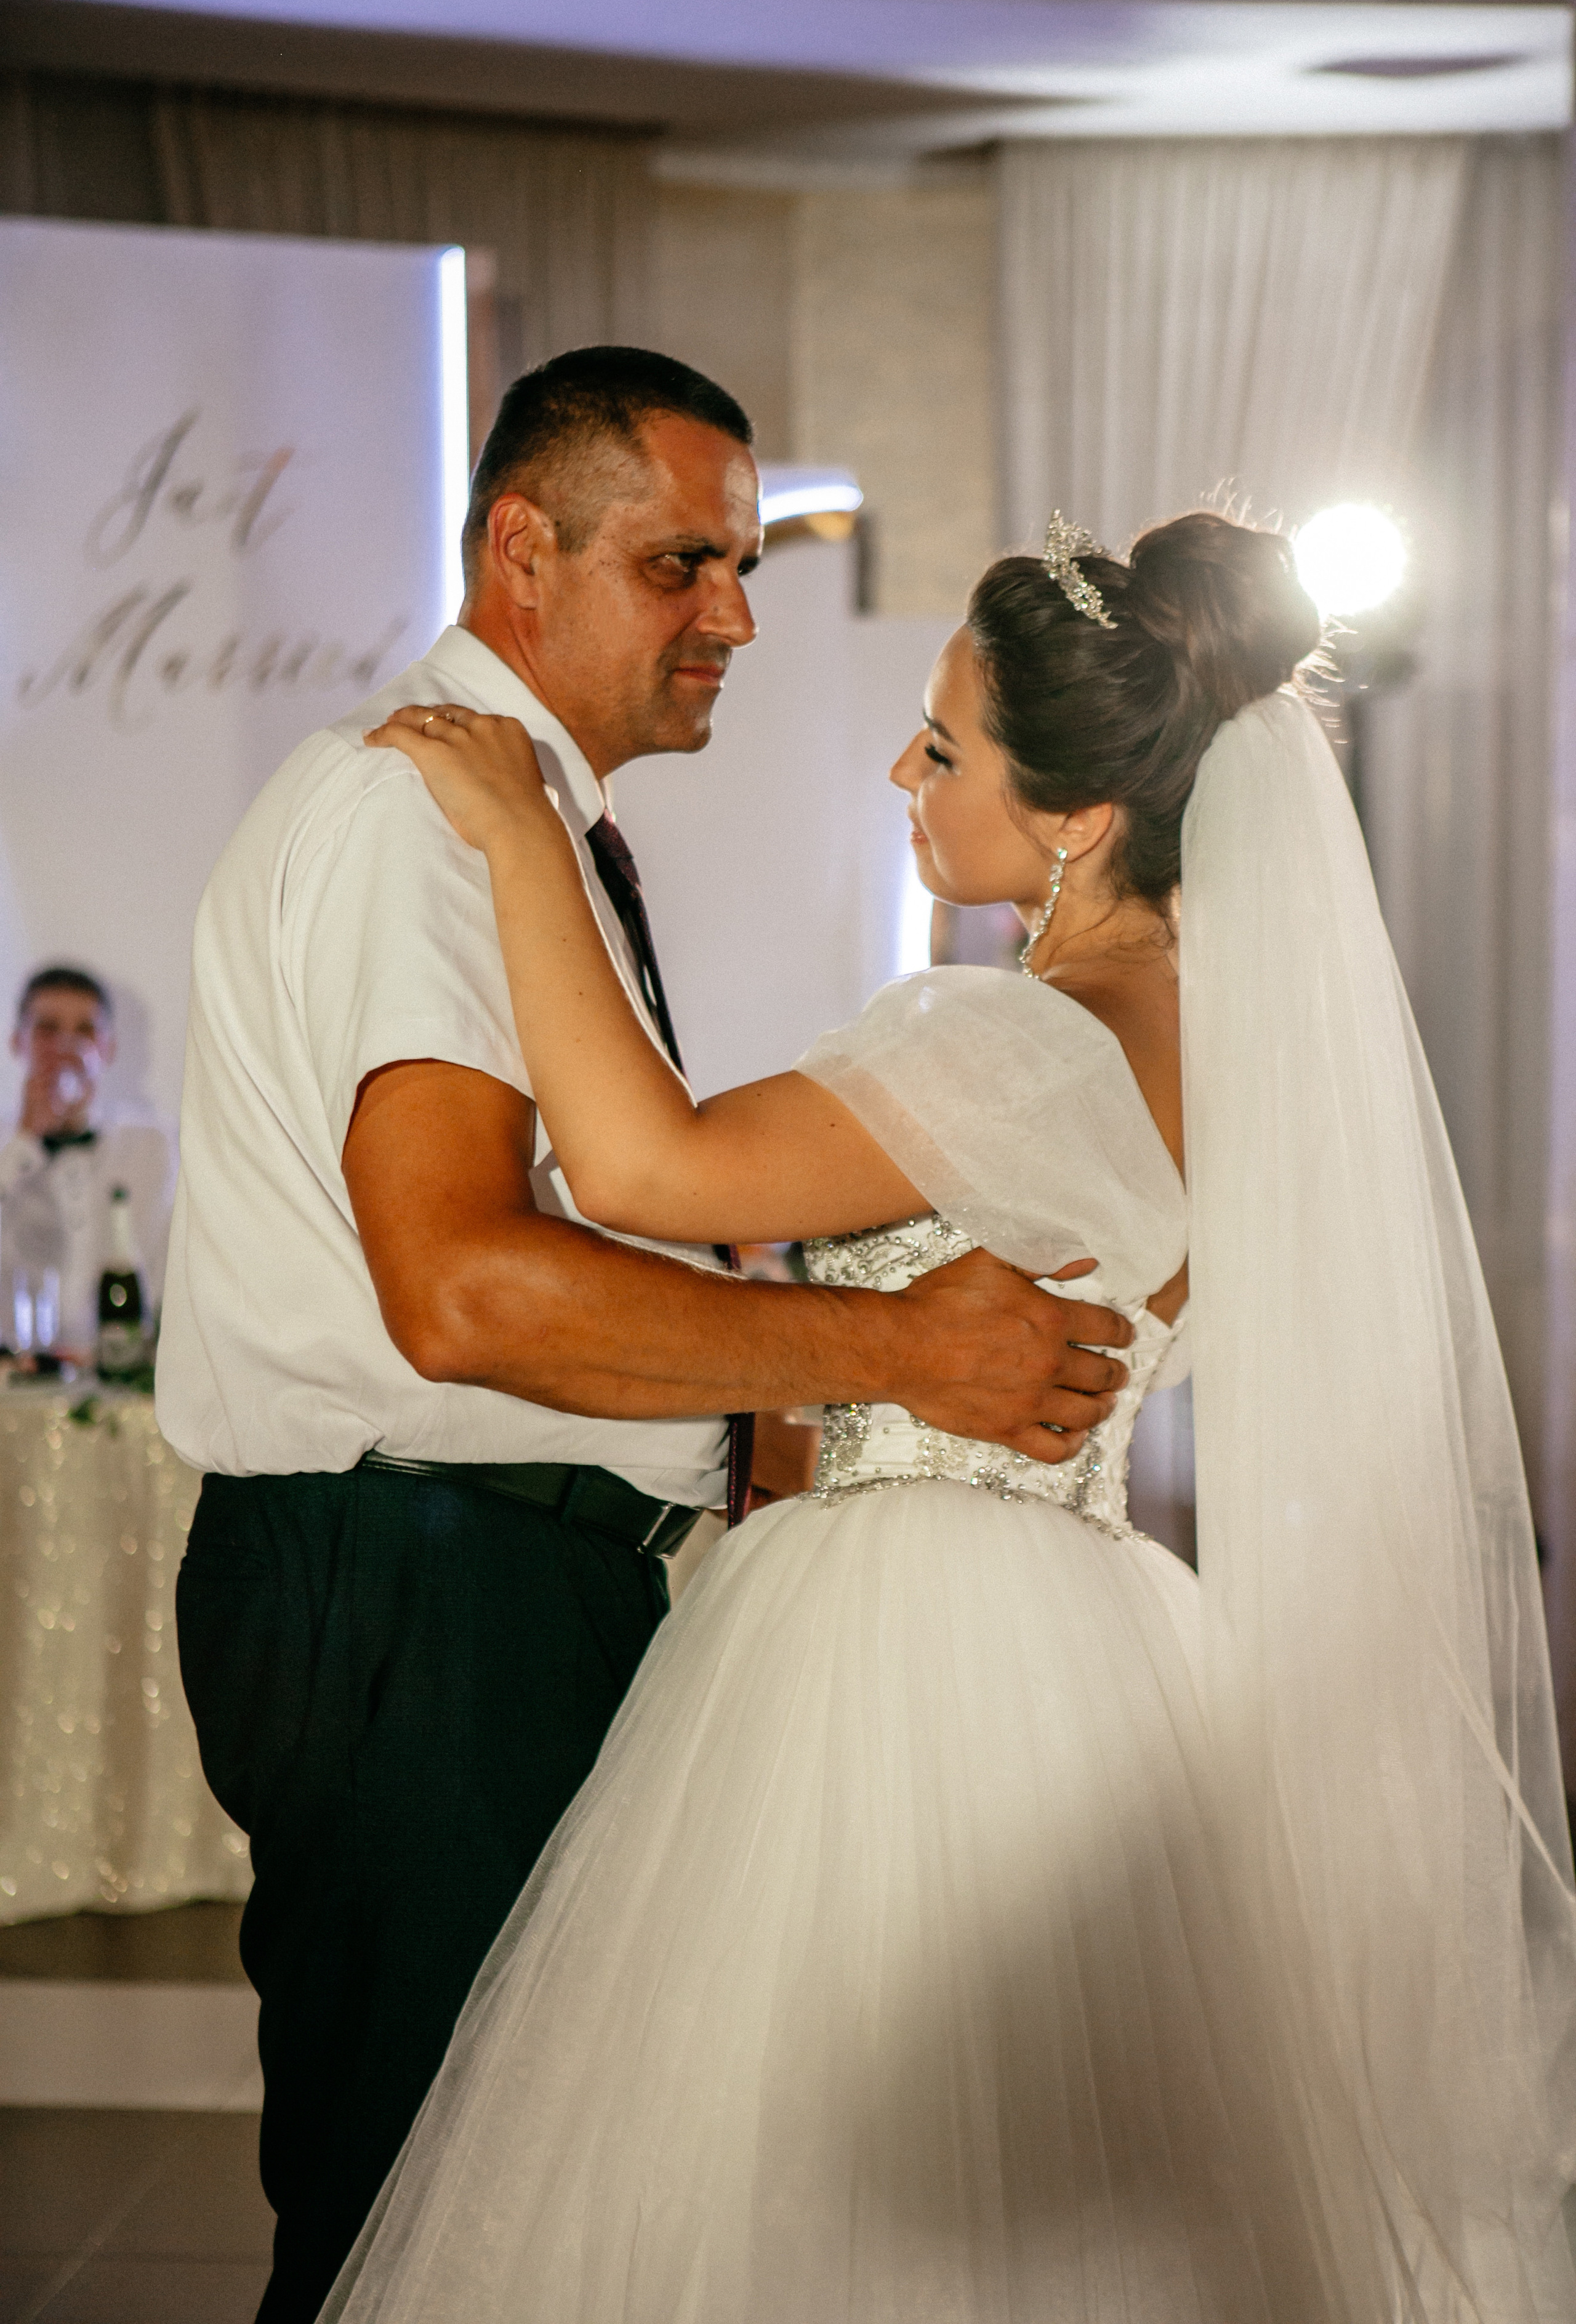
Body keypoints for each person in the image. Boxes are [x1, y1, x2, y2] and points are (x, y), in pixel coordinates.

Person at [325, 510, 1576, 2323]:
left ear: (1074, 813)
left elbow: (634, 1160)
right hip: (1093, 1635)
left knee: (807, 2180)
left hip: (881, 1628)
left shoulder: (1011, 1038)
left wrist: (520, 837)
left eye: (940, 745)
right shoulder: (1227, 1046)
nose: (896, 771)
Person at [158, 349, 1132, 2324]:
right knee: (407, 2231)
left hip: (502, 1578)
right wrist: (881, 1357)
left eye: (745, 565)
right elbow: (462, 1283)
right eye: (684, 561)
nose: (738, 618)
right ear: (523, 547)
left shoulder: (525, 824)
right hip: (432, 1585)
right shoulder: (423, 821)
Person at [0, 965, 172, 1357]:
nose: (66, 1047)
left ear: (108, 1048)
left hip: (123, 1371)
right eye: (47, 1029)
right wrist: (25, 1142)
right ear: (17, 1042)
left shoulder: (152, 1145)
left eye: (85, 1031)